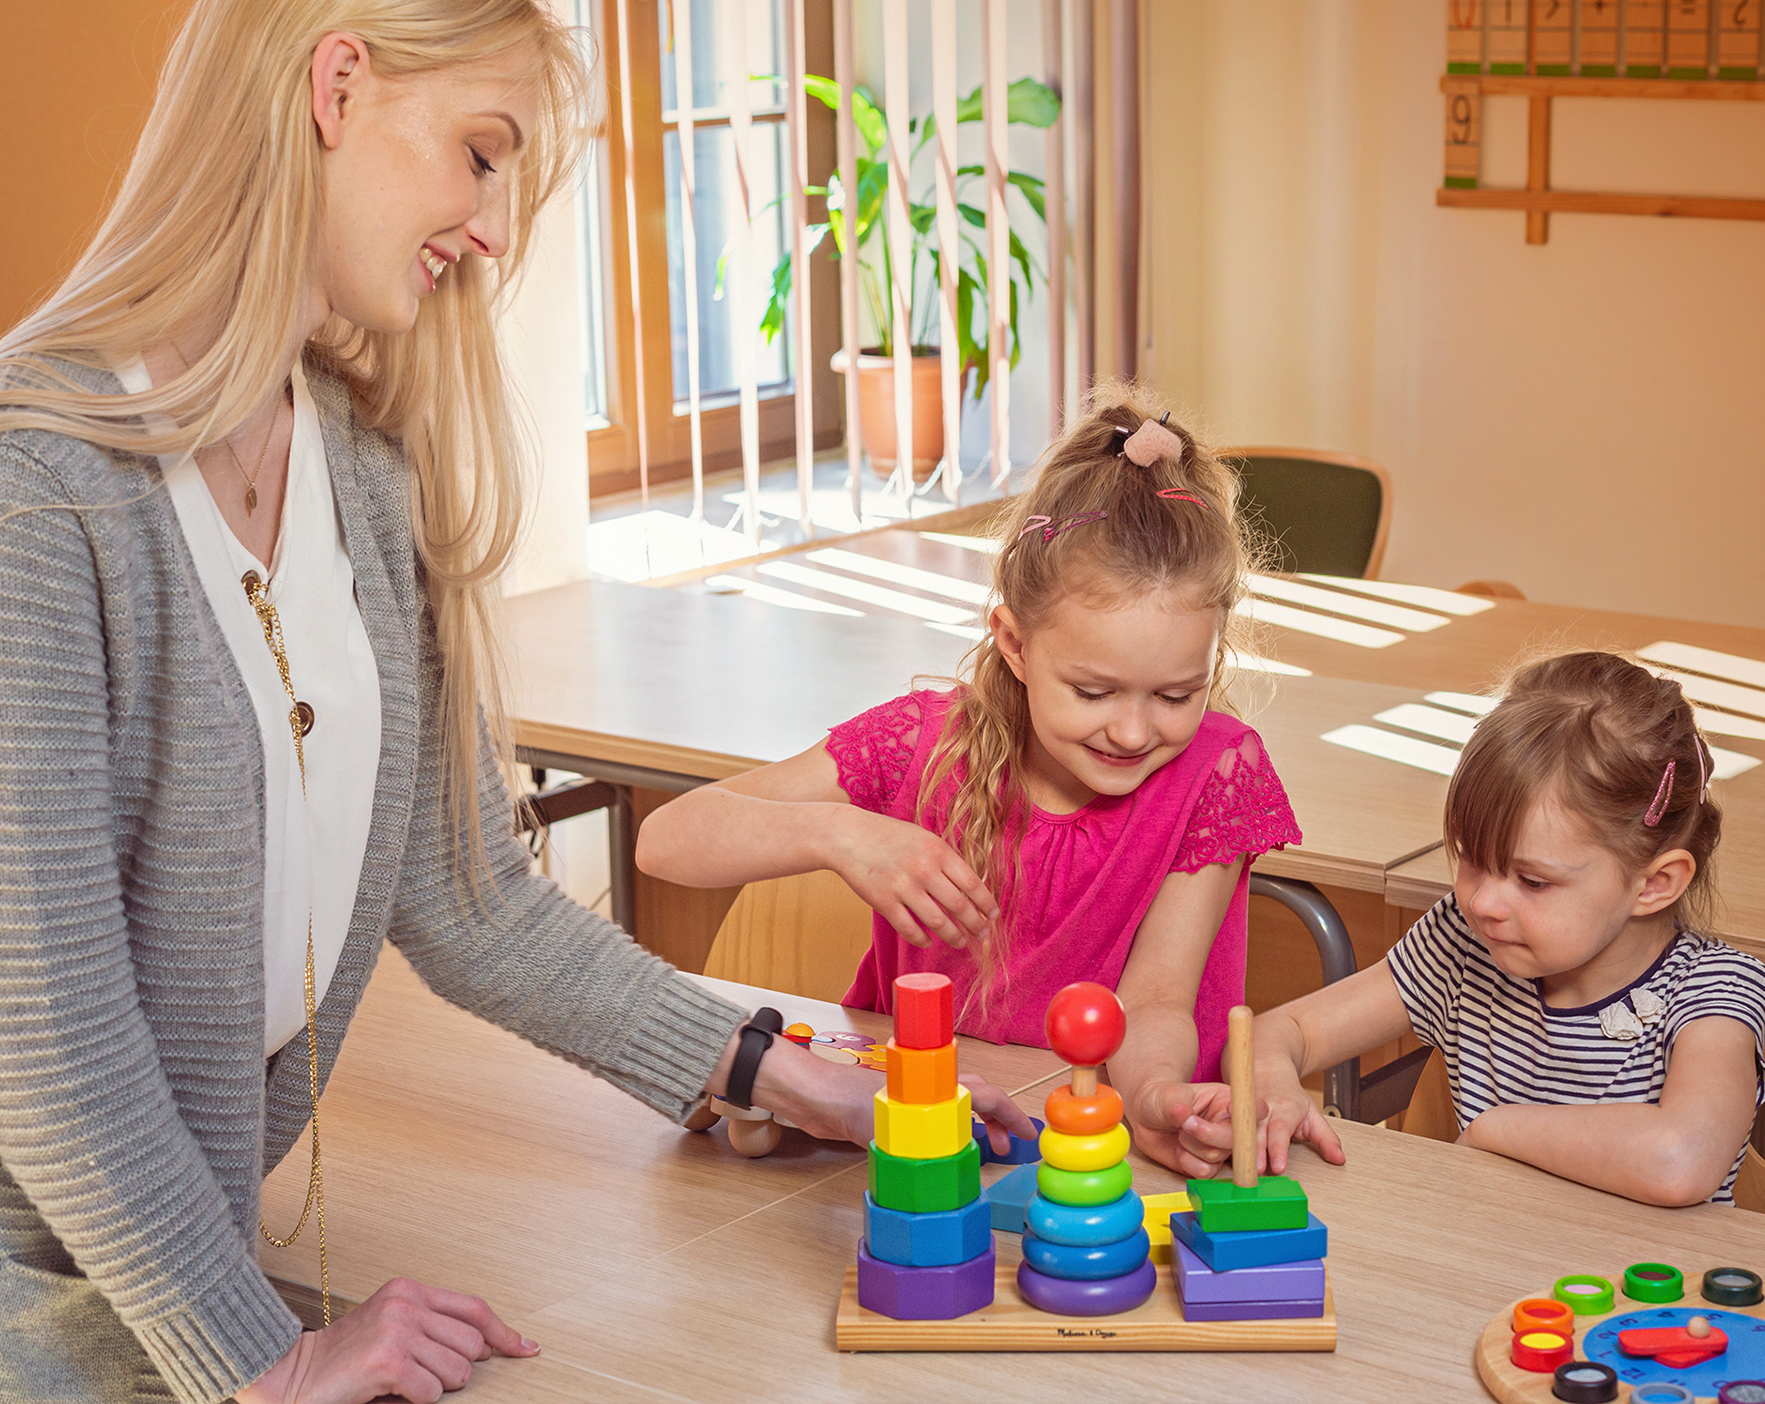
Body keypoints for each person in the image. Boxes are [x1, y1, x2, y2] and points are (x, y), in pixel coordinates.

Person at [0, 5, 1028, 1402]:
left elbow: (472, 896)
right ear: (338, 84)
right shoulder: (37, 490)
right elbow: (46, 1041)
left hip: (164, 1272)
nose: (489, 230)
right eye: (479, 155)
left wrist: (778, 1073)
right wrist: (271, 1362)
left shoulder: (354, 470)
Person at [637, 387, 1305, 1182]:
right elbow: (664, 840)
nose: (1133, 731)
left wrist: (1159, 1094)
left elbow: (1157, 999)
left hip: (1101, 1147)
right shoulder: (922, 742)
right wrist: (838, 833)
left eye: (1175, 695)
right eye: (1093, 693)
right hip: (907, 1139)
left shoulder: (1215, 771)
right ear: (1015, 644)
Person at [1253, 651, 1765, 1206]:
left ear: (1654, 884)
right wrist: (1274, 1084)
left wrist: (1495, 1130)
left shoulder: (1714, 988)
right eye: (1472, 859)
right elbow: (1282, 1034)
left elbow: (1681, 1159)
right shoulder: (1464, 943)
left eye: (1532, 881)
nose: (1482, 900)